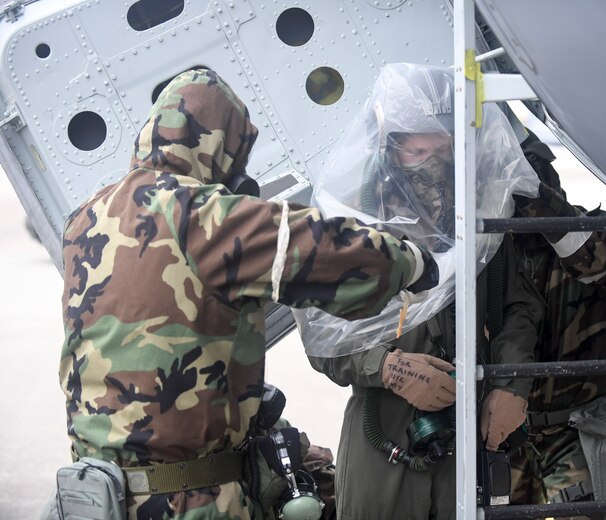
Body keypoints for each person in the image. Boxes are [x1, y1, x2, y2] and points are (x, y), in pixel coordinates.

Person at [57, 68, 439, 519]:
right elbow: (321, 249)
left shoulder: (86, 217)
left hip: (100, 495)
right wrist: (411, 262)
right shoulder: (201, 215)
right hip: (186, 500)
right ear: (219, 145)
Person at [307, 64, 545, 520]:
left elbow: (520, 306)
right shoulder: (352, 218)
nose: (433, 156)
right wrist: (388, 368)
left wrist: (513, 385)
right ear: (390, 142)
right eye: (419, 145)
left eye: (443, 142)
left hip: (472, 434)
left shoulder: (480, 213)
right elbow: (321, 335)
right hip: (383, 437)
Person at [507, 129, 606, 517]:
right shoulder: (495, 256)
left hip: (579, 431)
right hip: (510, 434)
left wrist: (532, 194)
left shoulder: (598, 233)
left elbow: (590, 259)